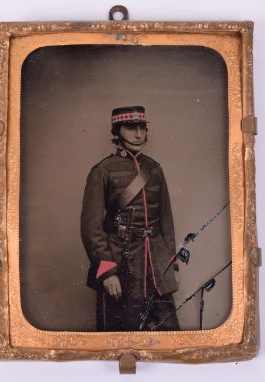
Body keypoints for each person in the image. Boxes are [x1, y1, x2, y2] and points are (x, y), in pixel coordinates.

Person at [80, 106, 180, 331]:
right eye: (131, 128)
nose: (138, 135)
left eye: (142, 128)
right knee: (122, 332)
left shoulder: (154, 169)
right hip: (119, 262)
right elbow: (92, 229)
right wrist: (107, 272)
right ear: (117, 131)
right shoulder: (102, 170)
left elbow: (166, 223)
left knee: (170, 332)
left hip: (155, 264)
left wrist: (171, 266)